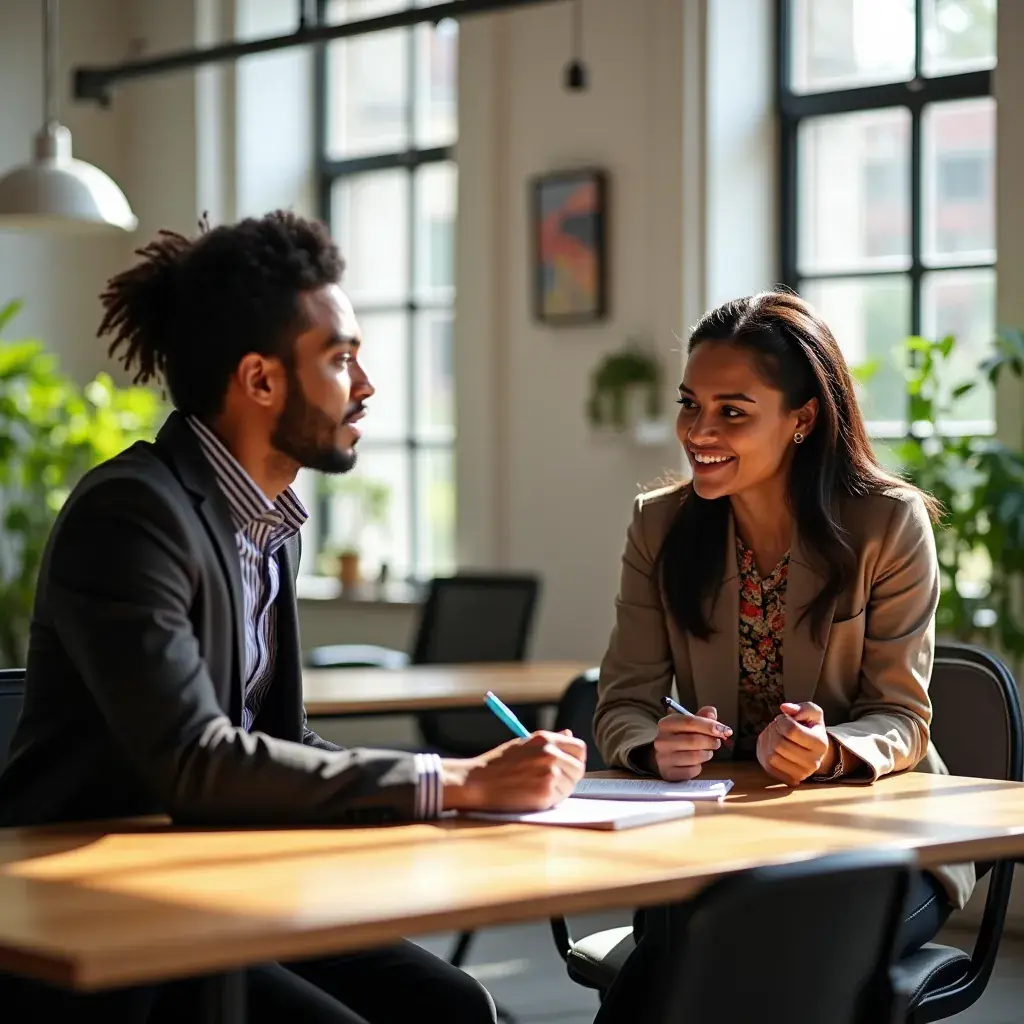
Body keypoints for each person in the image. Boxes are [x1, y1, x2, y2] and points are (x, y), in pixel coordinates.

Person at [0, 211, 586, 1023]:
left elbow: (278, 741)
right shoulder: (133, 514)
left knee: (452, 1008)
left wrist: (468, 793)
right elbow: (196, 762)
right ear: (261, 380)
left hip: (218, 875)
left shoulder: (270, 531)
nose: (368, 385)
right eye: (342, 359)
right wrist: (454, 779)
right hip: (101, 903)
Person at [591, 291, 971, 1023]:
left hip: (882, 846)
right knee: (666, 970)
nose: (699, 431)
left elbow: (902, 714)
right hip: (724, 844)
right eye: (690, 404)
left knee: (755, 959)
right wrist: (650, 748)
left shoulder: (887, 524)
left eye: (733, 411)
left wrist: (828, 751)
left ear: (802, 419)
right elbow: (624, 702)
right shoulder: (659, 526)